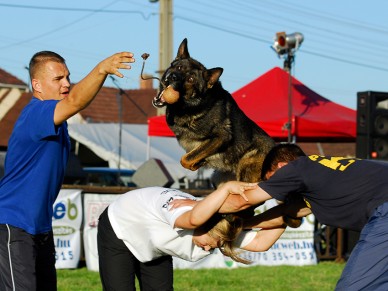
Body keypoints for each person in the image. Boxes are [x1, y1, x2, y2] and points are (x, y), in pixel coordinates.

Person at [0, 50, 135, 290]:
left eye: (67, 77)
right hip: (13, 225)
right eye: (58, 79)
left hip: (40, 227)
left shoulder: (57, 121)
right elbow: (75, 102)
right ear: (36, 85)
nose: (67, 83)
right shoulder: (36, 113)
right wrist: (102, 69)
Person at [220, 143, 388, 291]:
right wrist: (246, 223)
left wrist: (201, 210)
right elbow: (286, 213)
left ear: (281, 166)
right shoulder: (320, 176)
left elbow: (240, 202)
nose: (278, 194)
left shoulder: (295, 169)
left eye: (271, 179)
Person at [97, 181, 287, 291]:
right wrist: (226, 188)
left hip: (155, 243)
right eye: (209, 245)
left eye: (213, 247)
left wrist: (290, 213)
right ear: (205, 226)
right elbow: (193, 219)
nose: (207, 249)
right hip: (121, 227)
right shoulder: (181, 211)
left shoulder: (219, 230)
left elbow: (262, 243)